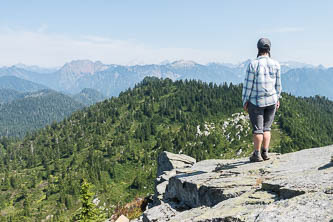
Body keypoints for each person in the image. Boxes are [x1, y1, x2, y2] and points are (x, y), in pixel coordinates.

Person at [242, 38, 282, 162]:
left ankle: (257, 154)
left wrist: (245, 100)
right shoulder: (276, 64)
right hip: (271, 101)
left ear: (258, 49)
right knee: (267, 128)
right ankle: (265, 152)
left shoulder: (253, 64)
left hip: (256, 102)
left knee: (258, 129)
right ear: (269, 49)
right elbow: (278, 85)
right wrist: (277, 98)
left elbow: (248, 85)